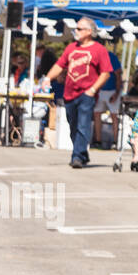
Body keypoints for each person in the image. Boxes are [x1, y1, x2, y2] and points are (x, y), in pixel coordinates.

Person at [41, 17, 111, 168]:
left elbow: (106, 73)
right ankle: (82, 153)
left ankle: (77, 156)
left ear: (89, 31)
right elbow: (60, 65)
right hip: (69, 94)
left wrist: (92, 90)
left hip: (87, 94)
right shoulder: (71, 48)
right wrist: (48, 78)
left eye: (79, 29)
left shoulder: (99, 50)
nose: (76, 32)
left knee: (83, 125)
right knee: (73, 125)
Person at [92, 43, 122, 148]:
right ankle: (98, 140)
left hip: (111, 90)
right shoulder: (94, 57)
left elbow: (118, 75)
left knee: (114, 116)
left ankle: (115, 141)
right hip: (99, 90)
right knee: (97, 114)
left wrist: (117, 93)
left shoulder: (111, 57)